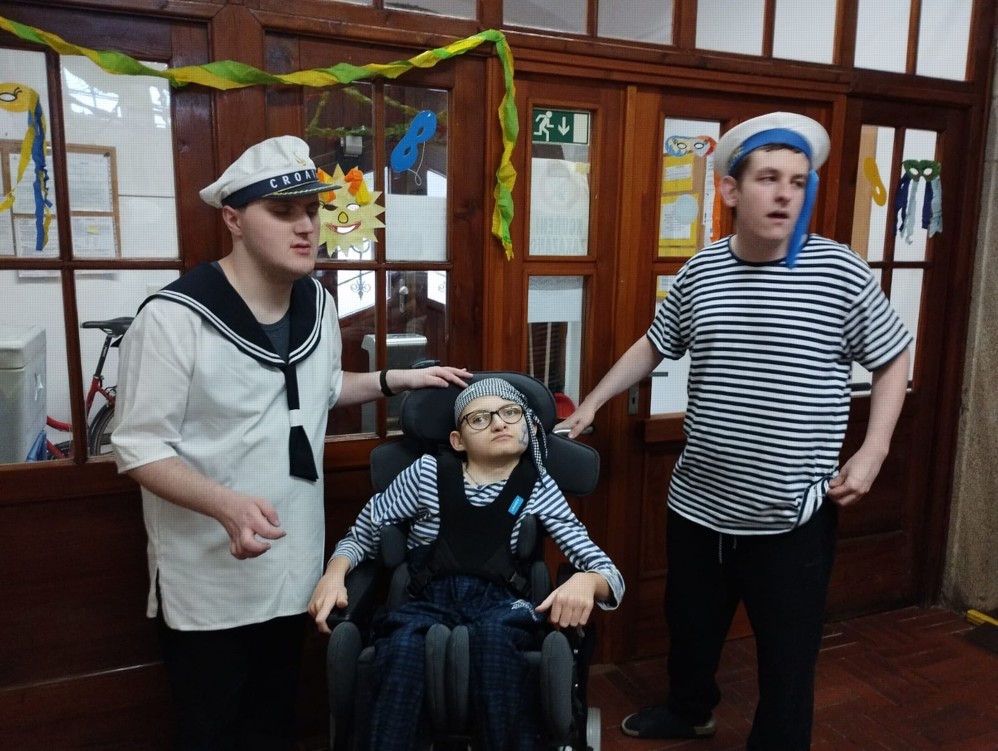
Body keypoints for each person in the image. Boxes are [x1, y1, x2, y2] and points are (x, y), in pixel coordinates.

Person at [556, 112, 912, 750]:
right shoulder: (702, 272)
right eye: (769, 178)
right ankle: (688, 711)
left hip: (792, 513)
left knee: (788, 657)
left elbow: (891, 357)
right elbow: (655, 342)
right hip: (699, 503)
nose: (785, 195)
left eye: (798, 182)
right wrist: (594, 403)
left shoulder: (841, 272)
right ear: (729, 189)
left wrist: (873, 450)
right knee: (690, 629)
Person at [110, 135, 470, 751]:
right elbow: (139, 446)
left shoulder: (317, 302)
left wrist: (396, 380)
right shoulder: (174, 317)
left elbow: (317, 389)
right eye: (282, 212)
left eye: (311, 210)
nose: (306, 227)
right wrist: (224, 504)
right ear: (233, 220)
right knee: (212, 727)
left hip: (294, 554)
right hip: (211, 572)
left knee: (274, 719)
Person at [308, 376, 625, 751]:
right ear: (458, 440)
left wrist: (588, 581)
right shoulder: (427, 474)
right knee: (401, 650)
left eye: (510, 412)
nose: (499, 423)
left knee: (494, 644)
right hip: (425, 599)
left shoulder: (539, 486)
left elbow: (609, 575)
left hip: (503, 605)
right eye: (480, 418)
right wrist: (335, 572)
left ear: (527, 424)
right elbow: (365, 531)